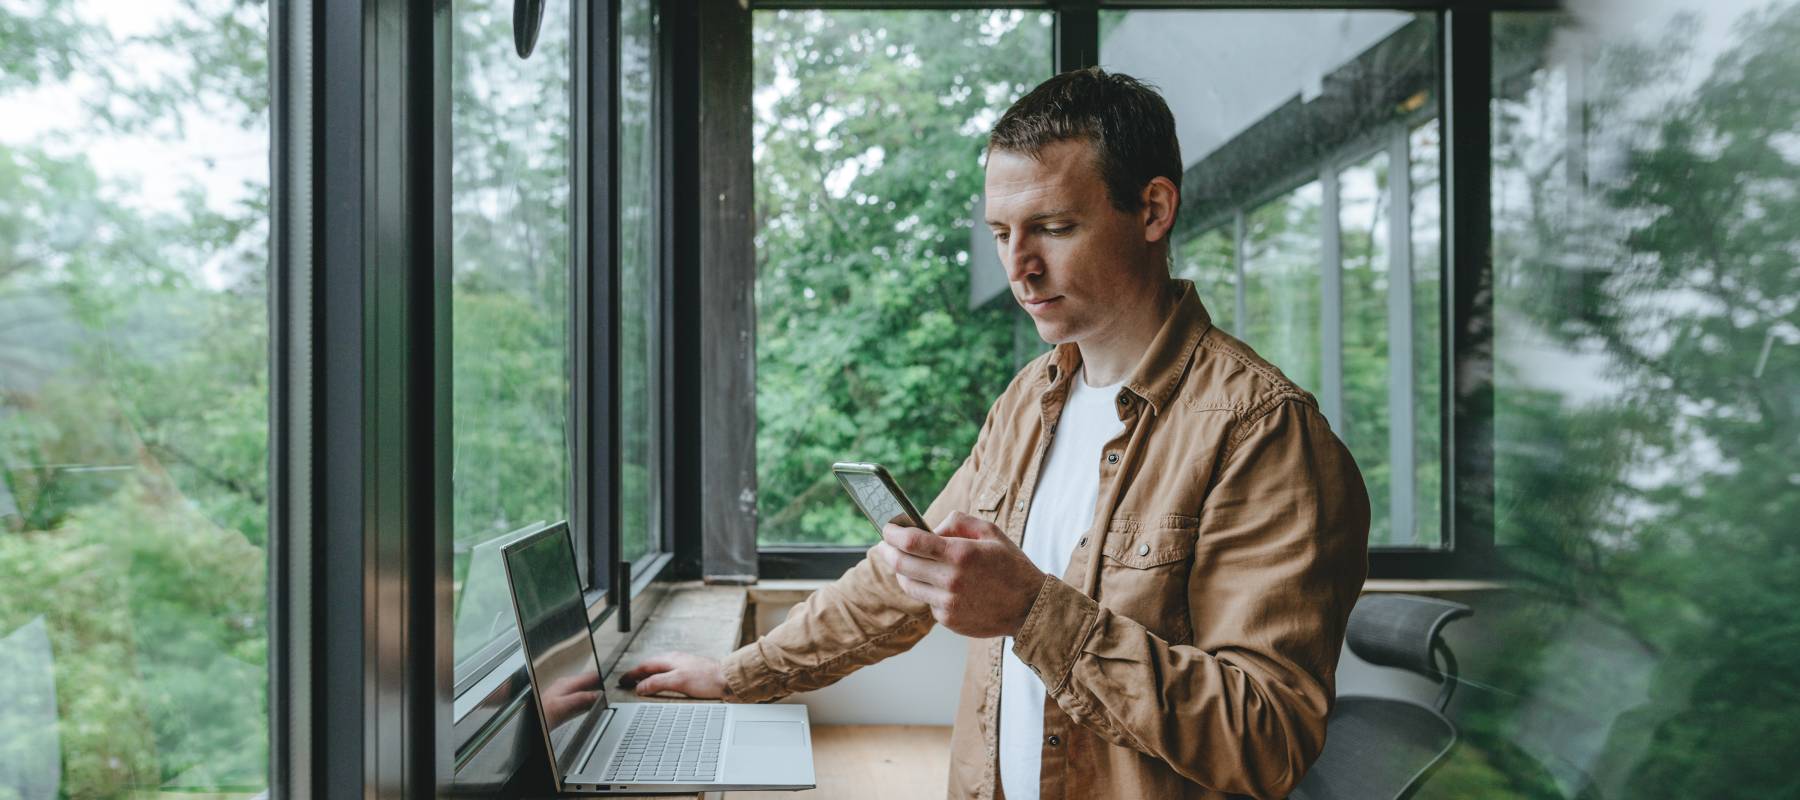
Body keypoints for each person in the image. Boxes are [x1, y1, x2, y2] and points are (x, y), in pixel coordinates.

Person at [620, 67, 1370, 800]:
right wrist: (739, 673)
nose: (1021, 269)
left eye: (1053, 227)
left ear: (1152, 210)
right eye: (1003, 233)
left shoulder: (1264, 434)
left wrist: (1033, 614)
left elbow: (1269, 738)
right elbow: (901, 577)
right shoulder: (1028, 400)